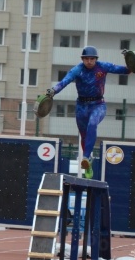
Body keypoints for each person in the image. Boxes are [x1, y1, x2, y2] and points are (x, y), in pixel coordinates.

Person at [46, 46, 130, 179]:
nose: (89, 61)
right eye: (86, 59)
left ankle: (85, 157)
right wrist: (53, 90)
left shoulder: (103, 66)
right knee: (83, 136)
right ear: (82, 59)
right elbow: (65, 81)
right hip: (81, 106)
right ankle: (88, 162)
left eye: (92, 58)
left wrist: (131, 61)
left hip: (98, 105)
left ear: (96, 59)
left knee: (93, 123)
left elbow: (126, 71)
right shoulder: (77, 70)